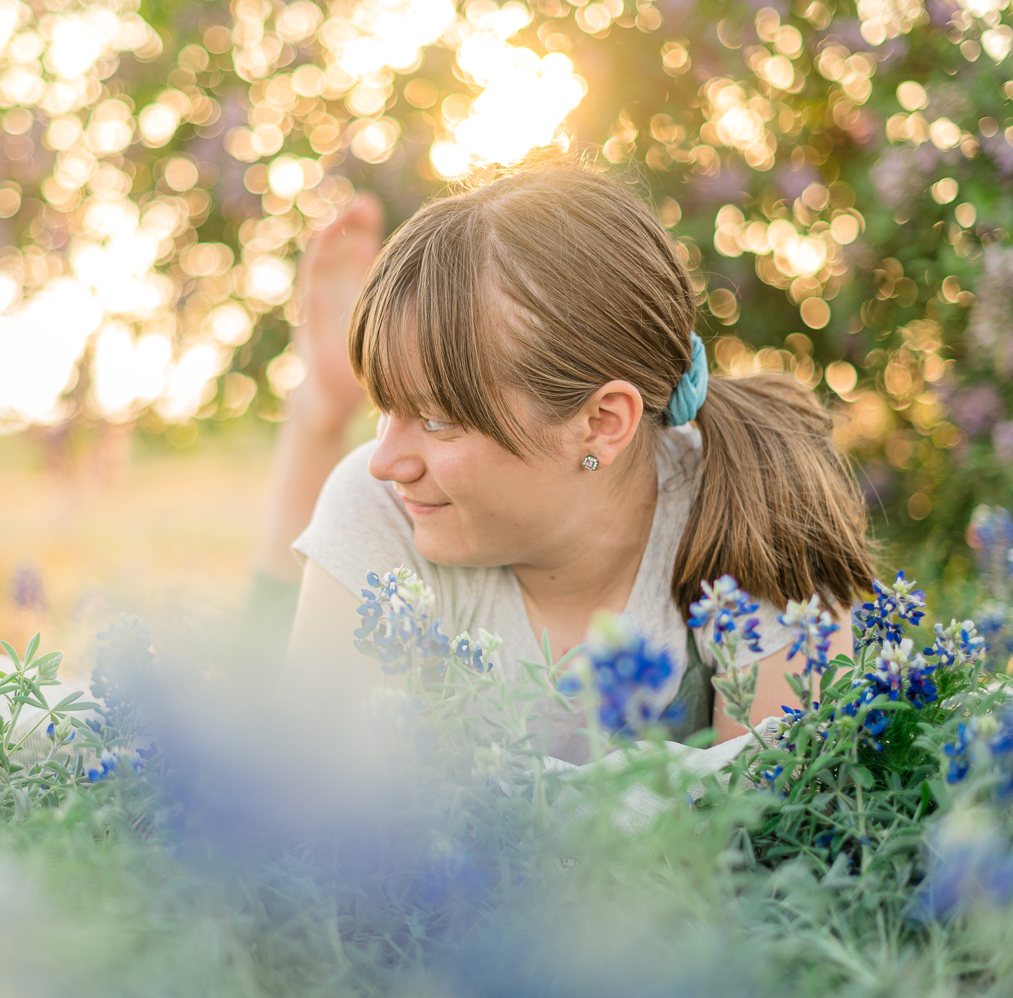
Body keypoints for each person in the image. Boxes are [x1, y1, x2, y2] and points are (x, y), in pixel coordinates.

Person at [261, 161, 870, 759]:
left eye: (437, 419)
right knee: (247, 668)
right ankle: (319, 412)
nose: (384, 461)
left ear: (602, 424)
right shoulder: (384, 509)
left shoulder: (759, 517)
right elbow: (301, 799)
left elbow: (774, 830)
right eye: (384, 406)